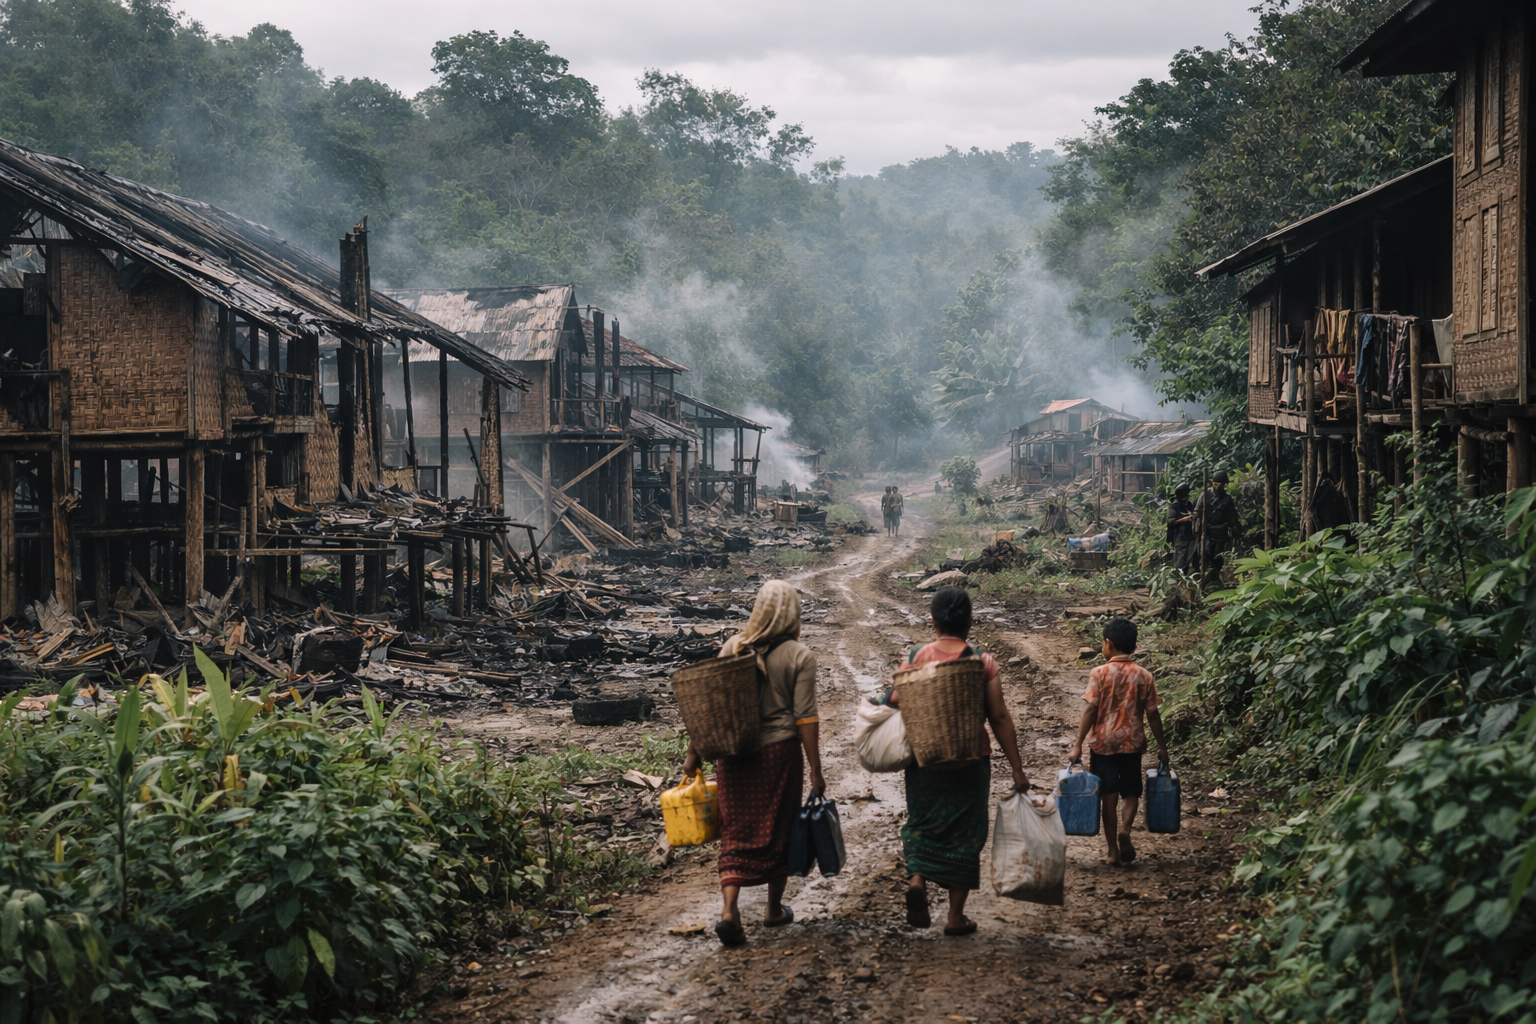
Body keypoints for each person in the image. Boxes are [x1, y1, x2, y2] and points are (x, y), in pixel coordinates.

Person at [682, 581, 827, 947]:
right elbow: (805, 717)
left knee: (735, 831)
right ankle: (773, 909)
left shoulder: (734, 646)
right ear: (792, 613)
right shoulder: (799, 655)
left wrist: (693, 755)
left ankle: (729, 911)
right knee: (779, 830)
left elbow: (710, 705)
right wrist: (816, 770)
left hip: (734, 755)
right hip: (779, 756)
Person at [888, 587, 1029, 936]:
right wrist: (1016, 767)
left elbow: (894, 698)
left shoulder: (916, 656)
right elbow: (998, 716)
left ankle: (918, 878)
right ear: (969, 620)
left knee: (922, 823)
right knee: (966, 833)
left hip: (925, 760)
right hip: (970, 760)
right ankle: (955, 916)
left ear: (933, 622)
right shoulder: (982, 661)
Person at [1066, 617, 1168, 866]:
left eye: (1102, 642)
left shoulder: (1099, 673)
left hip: (1103, 745)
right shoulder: (1144, 676)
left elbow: (1091, 710)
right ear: (1134, 647)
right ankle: (1126, 827)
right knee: (1132, 792)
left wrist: (1078, 743)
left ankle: (1112, 850)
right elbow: (1153, 713)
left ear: (1109, 644)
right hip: (1132, 745)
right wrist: (1162, 747)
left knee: (1108, 798)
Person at [1192, 470, 1240, 583]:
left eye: (1219, 484)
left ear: (1224, 485)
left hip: (1220, 532)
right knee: (1204, 553)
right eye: (1215, 484)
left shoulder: (1227, 499)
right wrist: (1196, 526)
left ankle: (1214, 579)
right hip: (1206, 531)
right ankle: (1203, 578)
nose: (1217, 487)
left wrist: (1235, 530)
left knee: (1217, 557)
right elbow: (1196, 512)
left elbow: (1232, 516)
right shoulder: (1205, 495)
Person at [1167, 483, 1195, 569]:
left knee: (1188, 561)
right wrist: (1186, 518)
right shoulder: (1174, 507)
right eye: (1185, 495)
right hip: (1179, 538)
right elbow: (1171, 521)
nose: (1187, 497)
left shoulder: (1189, 505)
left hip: (1190, 537)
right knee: (1179, 564)